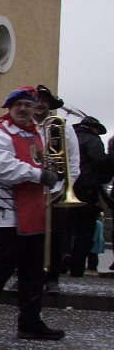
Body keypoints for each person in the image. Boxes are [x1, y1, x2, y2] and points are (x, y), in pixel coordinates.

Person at [0, 87, 64, 341]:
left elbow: (44, 163)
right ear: (9, 108)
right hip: (6, 215)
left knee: (33, 273)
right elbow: (3, 169)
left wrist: (55, 178)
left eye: (27, 105)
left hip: (34, 213)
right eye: (18, 104)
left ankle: (30, 322)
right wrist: (39, 174)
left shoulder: (35, 134)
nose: (23, 109)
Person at [32, 84, 79, 292]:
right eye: (36, 99)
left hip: (57, 188)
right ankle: (30, 275)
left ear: (50, 104)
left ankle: (52, 278)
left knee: (56, 234)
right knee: (31, 235)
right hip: (31, 189)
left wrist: (67, 188)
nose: (39, 103)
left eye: (44, 100)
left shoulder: (63, 126)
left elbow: (74, 161)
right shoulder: (25, 126)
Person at [68, 117, 114, 276]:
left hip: (67, 189)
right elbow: (101, 162)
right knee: (84, 231)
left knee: (66, 230)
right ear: (93, 128)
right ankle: (77, 268)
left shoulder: (70, 137)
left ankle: (61, 264)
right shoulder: (93, 140)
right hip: (86, 191)